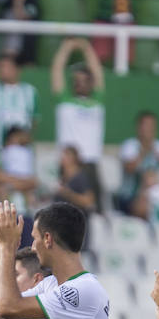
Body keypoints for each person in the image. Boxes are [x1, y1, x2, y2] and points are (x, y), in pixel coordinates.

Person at [51, 38, 105, 199]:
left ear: (91, 83)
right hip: (68, 164)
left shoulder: (97, 103)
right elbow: (56, 70)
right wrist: (66, 48)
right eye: (77, 81)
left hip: (90, 164)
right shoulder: (64, 102)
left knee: (92, 209)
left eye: (85, 80)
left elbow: (97, 72)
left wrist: (86, 48)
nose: (80, 84)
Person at [116, 110, 159, 220]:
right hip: (131, 197)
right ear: (138, 127)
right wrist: (144, 151)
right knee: (145, 209)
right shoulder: (129, 146)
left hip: (158, 196)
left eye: (151, 125)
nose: (148, 129)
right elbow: (129, 167)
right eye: (145, 125)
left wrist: (158, 154)